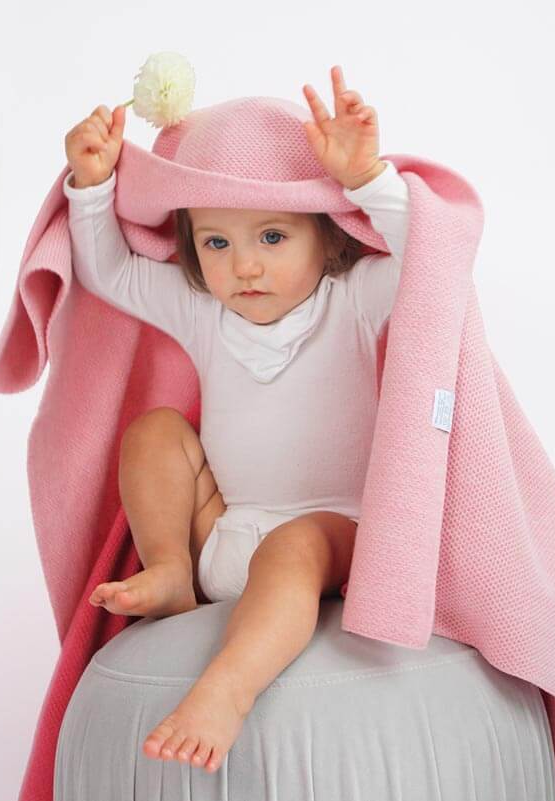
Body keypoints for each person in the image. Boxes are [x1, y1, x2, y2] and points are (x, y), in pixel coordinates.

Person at [62, 65, 409, 774]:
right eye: (217, 243)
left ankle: (227, 687)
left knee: (293, 545)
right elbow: (112, 273)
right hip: (223, 531)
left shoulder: (355, 301)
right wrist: (92, 187)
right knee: (154, 430)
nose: (244, 265)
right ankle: (167, 568)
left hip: (332, 533)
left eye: (273, 238)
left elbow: (431, 259)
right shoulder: (204, 312)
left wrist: (369, 177)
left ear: (328, 236)